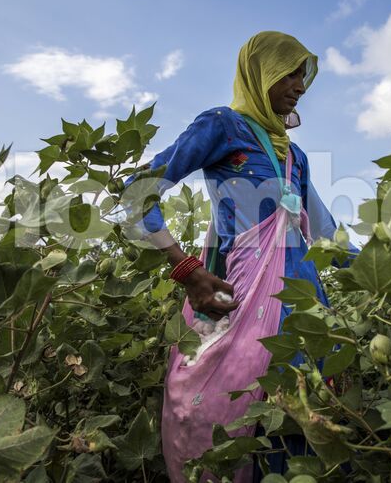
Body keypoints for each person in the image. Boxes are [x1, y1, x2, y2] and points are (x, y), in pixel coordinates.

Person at [130, 31, 355, 482]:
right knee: (246, 417)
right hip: (243, 296)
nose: (300, 84)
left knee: (311, 424)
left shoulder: (296, 157)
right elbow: (138, 195)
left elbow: (327, 232)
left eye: (303, 74)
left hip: (303, 303)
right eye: (288, 71)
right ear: (259, 71)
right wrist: (187, 270)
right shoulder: (222, 127)